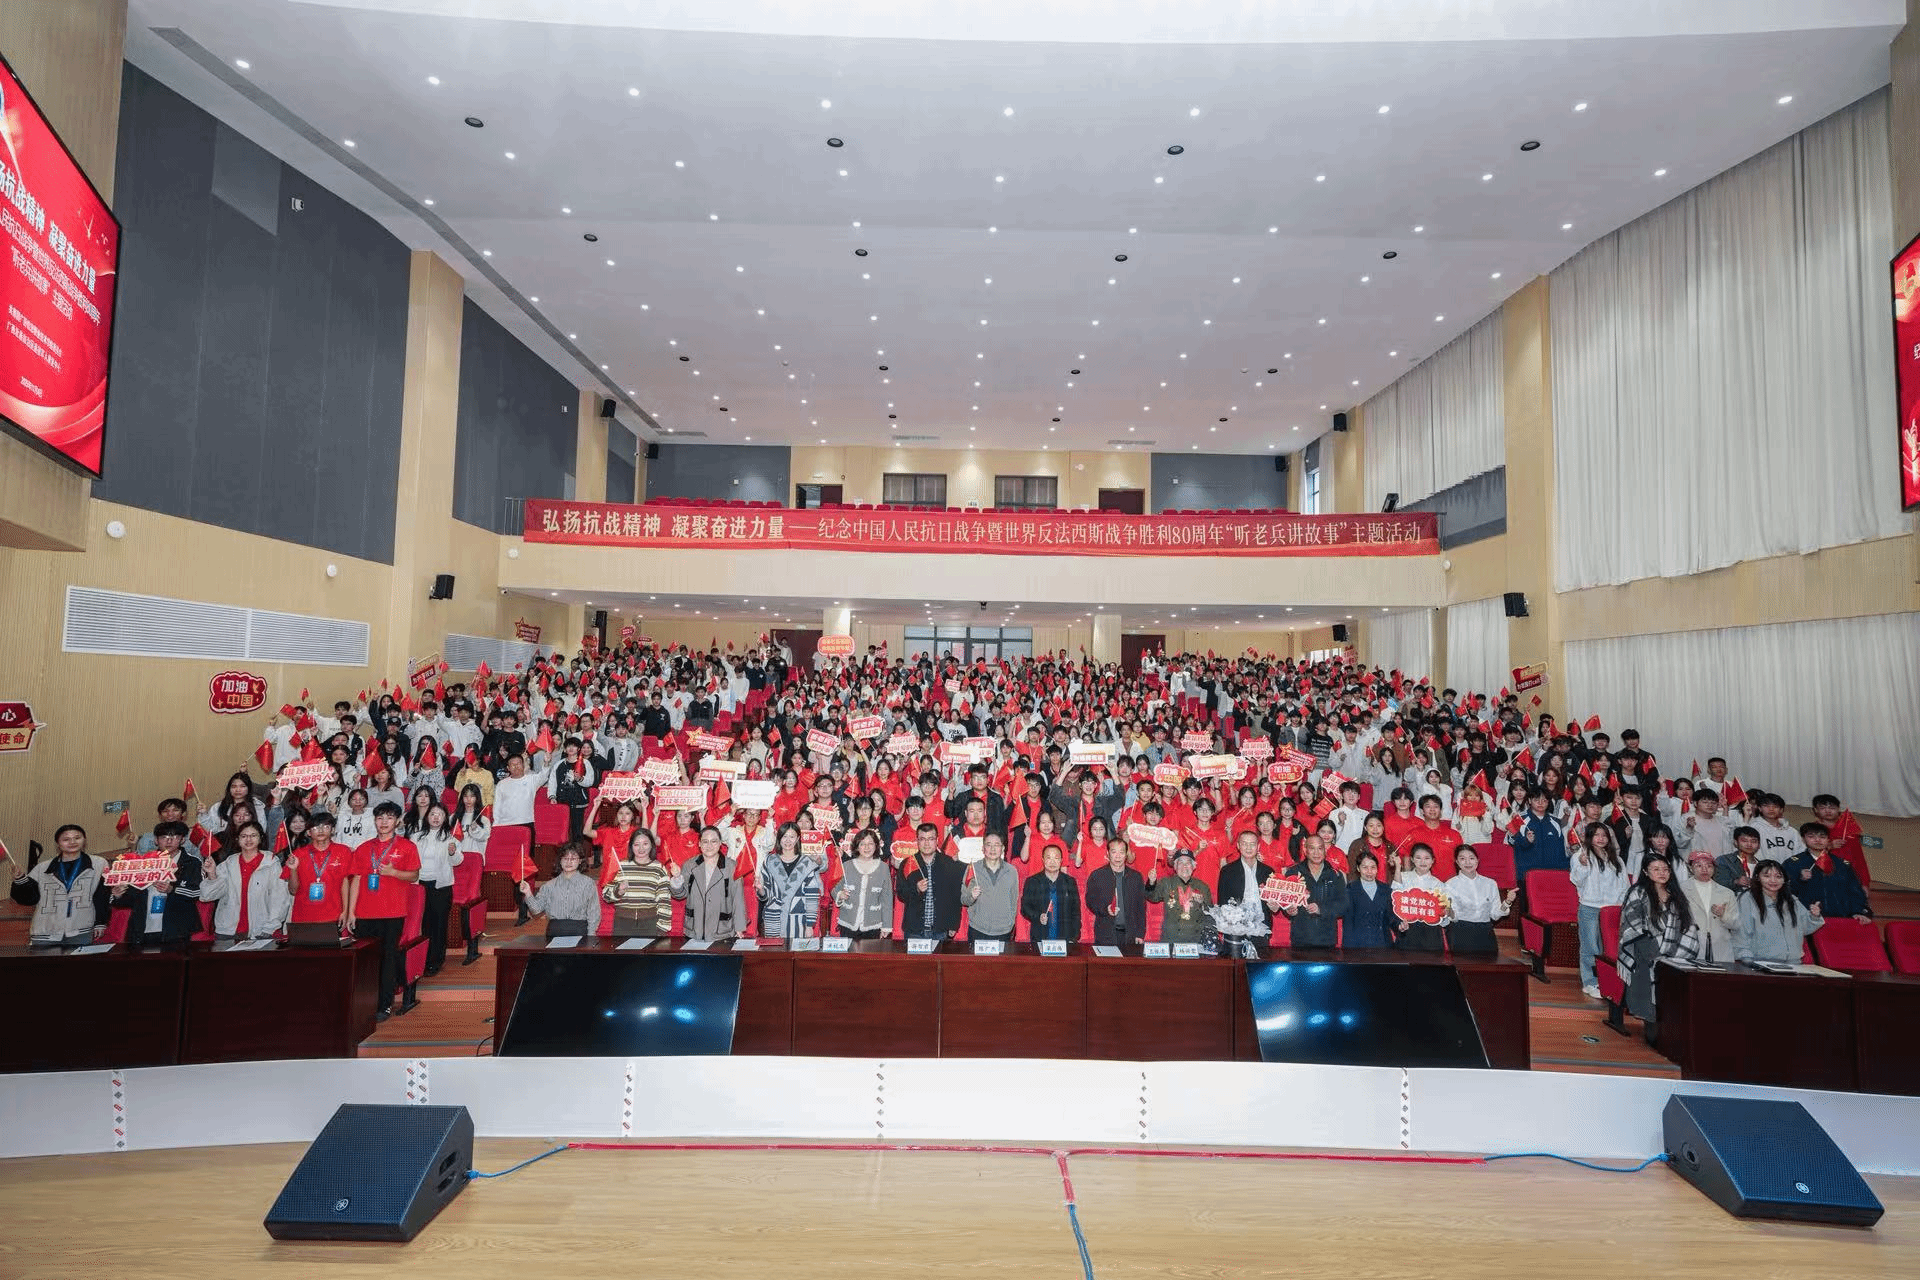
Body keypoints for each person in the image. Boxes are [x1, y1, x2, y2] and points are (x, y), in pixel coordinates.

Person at [346, 801, 422, 1021]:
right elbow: (356, 880)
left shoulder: (407, 847)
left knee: (388, 959)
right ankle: (365, 1003)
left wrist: (393, 872)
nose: (384, 822)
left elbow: (414, 875)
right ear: (375, 821)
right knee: (366, 961)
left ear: (397, 821)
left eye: (389, 818)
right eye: (380, 818)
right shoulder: (363, 848)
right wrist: (351, 912)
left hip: (392, 913)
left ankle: (384, 1005)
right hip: (364, 913)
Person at [1614, 853, 1700, 1038]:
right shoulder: (1637, 893)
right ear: (1646, 872)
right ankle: (1651, 1023)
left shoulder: (1676, 895)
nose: (1662, 873)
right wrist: (1657, 957)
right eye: (1656, 869)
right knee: (1654, 1033)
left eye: (1665, 869)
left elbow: (1688, 927)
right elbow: (1633, 928)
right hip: (1645, 952)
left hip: (1674, 953)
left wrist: (1673, 957)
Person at [112, 823, 206, 945]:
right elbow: (130, 899)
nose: (169, 841)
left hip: (177, 928)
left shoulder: (192, 863)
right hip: (142, 928)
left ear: (182, 840)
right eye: (163, 837)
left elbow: (197, 893)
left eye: (174, 837)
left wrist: (172, 890)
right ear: (156, 841)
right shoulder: (144, 863)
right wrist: (119, 895)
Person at [200, 821, 291, 942]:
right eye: (244, 836)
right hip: (227, 930)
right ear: (237, 839)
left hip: (261, 931)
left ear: (260, 838)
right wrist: (212, 873)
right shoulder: (229, 863)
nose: (248, 839)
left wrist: (270, 927)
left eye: (253, 835)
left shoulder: (271, 863)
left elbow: (279, 899)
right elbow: (207, 896)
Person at [1569, 823, 1629, 1000]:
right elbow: (1576, 881)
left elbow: (1625, 885)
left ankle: (1608, 980)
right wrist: (1583, 866)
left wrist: (1622, 905)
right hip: (1590, 907)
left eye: (1604, 835)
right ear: (1589, 837)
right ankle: (1590, 982)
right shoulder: (1580, 856)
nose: (1601, 838)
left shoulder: (1617, 859)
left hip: (1613, 909)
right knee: (1590, 946)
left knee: (1610, 948)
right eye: (1596, 835)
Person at [1734, 859, 1824, 964]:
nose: (1773, 880)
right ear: (1758, 877)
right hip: (1760, 963)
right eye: (1767, 876)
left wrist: (1814, 916)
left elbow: (1805, 928)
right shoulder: (1747, 899)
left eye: (1778, 876)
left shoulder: (1791, 900)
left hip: (1793, 963)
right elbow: (1742, 934)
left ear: (1784, 879)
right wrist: (1746, 960)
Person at [1781, 823, 1873, 924]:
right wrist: (1800, 879)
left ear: (1829, 839)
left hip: (1840, 920)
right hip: (1806, 921)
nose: (1817, 840)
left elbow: (1855, 891)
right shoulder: (1793, 863)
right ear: (1803, 839)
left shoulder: (1842, 865)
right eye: (1811, 836)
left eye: (1822, 837)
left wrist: (1858, 911)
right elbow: (1784, 892)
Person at [284, 811, 353, 946]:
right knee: (306, 957)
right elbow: (293, 890)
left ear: (333, 830)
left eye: (326, 826)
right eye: (315, 827)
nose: (320, 830)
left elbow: (345, 883)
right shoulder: (298, 854)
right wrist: (293, 869)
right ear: (308, 832)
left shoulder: (343, 851)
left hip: (333, 916)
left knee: (334, 957)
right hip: (303, 918)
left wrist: (345, 911)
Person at [672, 826, 748, 942]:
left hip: (722, 930)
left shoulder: (732, 866)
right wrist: (677, 879)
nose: (709, 846)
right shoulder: (689, 865)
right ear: (699, 844)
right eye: (705, 841)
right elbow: (680, 895)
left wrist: (739, 927)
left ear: (720, 843)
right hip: (694, 929)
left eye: (714, 841)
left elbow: (738, 899)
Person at [896, 822, 965, 941]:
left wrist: (954, 924)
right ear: (917, 841)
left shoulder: (949, 864)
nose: (927, 843)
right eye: (922, 839)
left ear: (937, 840)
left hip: (941, 930)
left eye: (931, 839)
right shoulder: (908, 863)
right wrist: (916, 889)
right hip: (914, 930)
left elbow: (956, 896)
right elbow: (901, 894)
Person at [413, 802, 460, 973]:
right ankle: (423, 960)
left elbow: (458, 861)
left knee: (439, 925)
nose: (435, 817)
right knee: (424, 924)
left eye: (440, 814)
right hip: (420, 885)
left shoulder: (450, 837)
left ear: (445, 818)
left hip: (441, 886)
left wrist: (453, 852)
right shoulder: (416, 836)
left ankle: (436, 960)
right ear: (427, 816)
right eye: (432, 814)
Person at [520, 840, 601, 938]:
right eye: (565, 858)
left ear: (580, 861)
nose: (569, 862)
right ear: (560, 861)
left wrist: (591, 935)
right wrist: (528, 893)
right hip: (555, 931)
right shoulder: (549, 885)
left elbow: (594, 912)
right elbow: (536, 910)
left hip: (579, 930)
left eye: (573, 858)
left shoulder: (588, 884)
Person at [602, 828, 674, 938]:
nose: (641, 848)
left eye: (645, 844)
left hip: (650, 923)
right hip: (622, 923)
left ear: (652, 845)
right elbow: (605, 895)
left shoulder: (659, 868)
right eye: (636, 844)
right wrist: (618, 891)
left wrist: (662, 929)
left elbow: (664, 901)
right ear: (631, 846)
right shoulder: (621, 866)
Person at [1443, 845, 1514, 955]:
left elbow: (1495, 915)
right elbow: (1454, 917)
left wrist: (1507, 902)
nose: (1468, 862)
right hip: (1461, 930)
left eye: (1471, 858)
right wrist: (1449, 911)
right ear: (1457, 862)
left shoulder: (1490, 884)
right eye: (1462, 859)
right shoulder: (1450, 884)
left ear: (1477, 861)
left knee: (1489, 964)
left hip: (1485, 930)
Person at [758, 823, 824, 940]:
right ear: (779, 838)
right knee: (774, 950)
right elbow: (765, 895)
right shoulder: (769, 861)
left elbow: (812, 896)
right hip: (774, 918)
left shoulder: (807, 863)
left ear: (798, 838)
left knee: (797, 950)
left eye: (792, 837)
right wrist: (761, 890)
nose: (788, 840)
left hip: (799, 920)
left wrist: (810, 925)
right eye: (784, 836)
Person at [1280, 835, 1346, 948]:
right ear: (1305, 850)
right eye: (1312, 848)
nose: (1316, 853)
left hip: (1327, 939)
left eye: (1320, 848)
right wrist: (1289, 910)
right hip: (1300, 938)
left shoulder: (1335, 874)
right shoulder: (1293, 873)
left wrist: (1321, 909)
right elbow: (1284, 901)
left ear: (1325, 851)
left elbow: (1343, 905)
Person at [1679, 849, 1740, 962]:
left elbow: (1736, 924)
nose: (1704, 869)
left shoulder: (1727, 893)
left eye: (1709, 866)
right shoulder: (1681, 890)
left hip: (1720, 949)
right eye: (1699, 866)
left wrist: (1723, 915)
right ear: (1690, 868)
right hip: (1690, 946)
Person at [1085, 837, 1147, 947]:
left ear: (1126, 854)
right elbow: (1090, 901)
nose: (1118, 856)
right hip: (1105, 934)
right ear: (1108, 854)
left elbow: (1141, 907)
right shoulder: (1097, 875)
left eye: (1121, 852)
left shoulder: (1135, 877)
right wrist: (1105, 909)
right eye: (1114, 852)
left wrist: (1140, 933)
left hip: (1130, 935)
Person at [834, 829, 894, 940]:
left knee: (871, 952)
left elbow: (887, 899)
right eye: (862, 844)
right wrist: (840, 894)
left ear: (876, 846)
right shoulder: (846, 866)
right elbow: (834, 888)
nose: (867, 847)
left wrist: (886, 926)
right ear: (856, 847)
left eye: (870, 843)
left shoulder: (884, 868)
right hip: (848, 923)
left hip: (873, 924)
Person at [1145, 848, 1213, 945]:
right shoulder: (1166, 883)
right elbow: (1152, 897)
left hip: (1195, 941)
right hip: (1171, 939)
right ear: (1175, 866)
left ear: (1193, 866)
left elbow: (1210, 915)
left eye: (1188, 863)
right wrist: (1151, 883)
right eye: (1180, 862)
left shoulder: (1203, 887)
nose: (1184, 866)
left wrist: (1210, 936)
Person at [960, 833, 1020, 942]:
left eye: (997, 845)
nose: (993, 849)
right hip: (978, 929)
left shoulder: (1011, 871)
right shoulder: (973, 869)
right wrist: (972, 896)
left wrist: (1010, 923)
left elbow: (1014, 899)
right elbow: (964, 899)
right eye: (988, 845)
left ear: (1003, 848)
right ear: (983, 849)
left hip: (1003, 931)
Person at [1020, 842, 1082, 944]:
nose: (1052, 862)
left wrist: (1074, 937)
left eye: (1056, 858)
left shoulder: (1069, 882)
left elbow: (1076, 912)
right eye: (1048, 858)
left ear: (1061, 860)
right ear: (1043, 860)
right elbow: (1025, 908)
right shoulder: (1033, 881)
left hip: (1065, 938)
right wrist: (1038, 916)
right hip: (1040, 936)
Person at [1390, 844, 1447, 951]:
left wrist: (1445, 912)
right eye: (1418, 858)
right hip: (1408, 931)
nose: (1422, 862)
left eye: (1427, 858)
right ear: (1412, 859)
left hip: (1431, 934)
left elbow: (1444, 917)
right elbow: (1395, 898)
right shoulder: (1403, 877)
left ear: (1433, 860)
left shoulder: (1439, 884)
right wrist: (1397, 867)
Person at [1343, 850, 1397, 948]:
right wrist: (1348, 951)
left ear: (1377, 869)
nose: (1369, 871)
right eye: (1365, 867)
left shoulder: (1385, 889)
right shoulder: (1351, 889)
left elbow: (1391, 918)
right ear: (1358, 868)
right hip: (1359, 945)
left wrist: (1400, 926)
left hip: (1383, 944)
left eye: (1373, 867)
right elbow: (1348, 924)